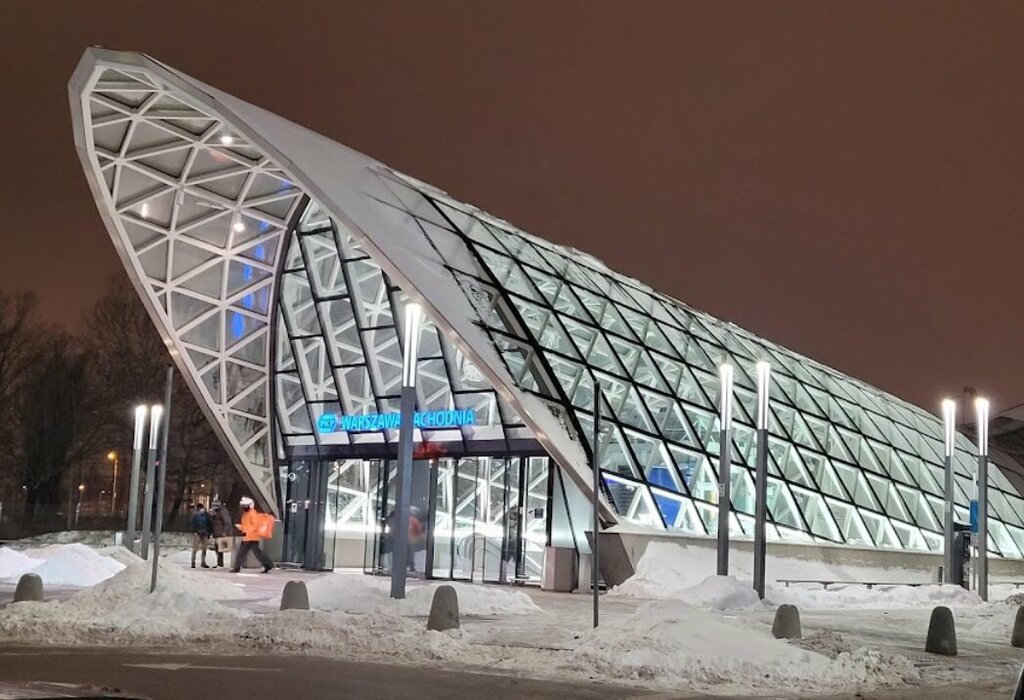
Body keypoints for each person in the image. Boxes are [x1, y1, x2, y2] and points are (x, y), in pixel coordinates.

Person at [231, 496, 274, 574]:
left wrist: (242, 528)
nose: (244, 507)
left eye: (245, 505)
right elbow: (250, 525)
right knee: (256, 552)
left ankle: (237, 568)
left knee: (242, 553)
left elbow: (255, 525)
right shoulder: (246, 514)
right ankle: (268, 564)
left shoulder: (251, 513)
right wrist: (242, 528)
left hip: (250, 537)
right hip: (250, 537)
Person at [209, 500, 233, 568]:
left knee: (220, 548)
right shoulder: (216, 512)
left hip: (221, 533)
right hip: (217, 533)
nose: (213, 507)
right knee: (217, 548)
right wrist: (211, 516)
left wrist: (225, 532)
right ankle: (219, 563)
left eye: (214, 506)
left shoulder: (223, 511)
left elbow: (227, 522)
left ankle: (220, 563)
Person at [189, 503, 213, 569]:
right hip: (198, 533)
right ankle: (194, 562)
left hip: (203, 533)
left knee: (203, 548)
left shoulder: (205, 515)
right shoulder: (195, 515)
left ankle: (201, 562)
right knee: (196, 548)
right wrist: (194, 531)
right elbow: (192, 524)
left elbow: (209, 523)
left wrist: (208, 532)